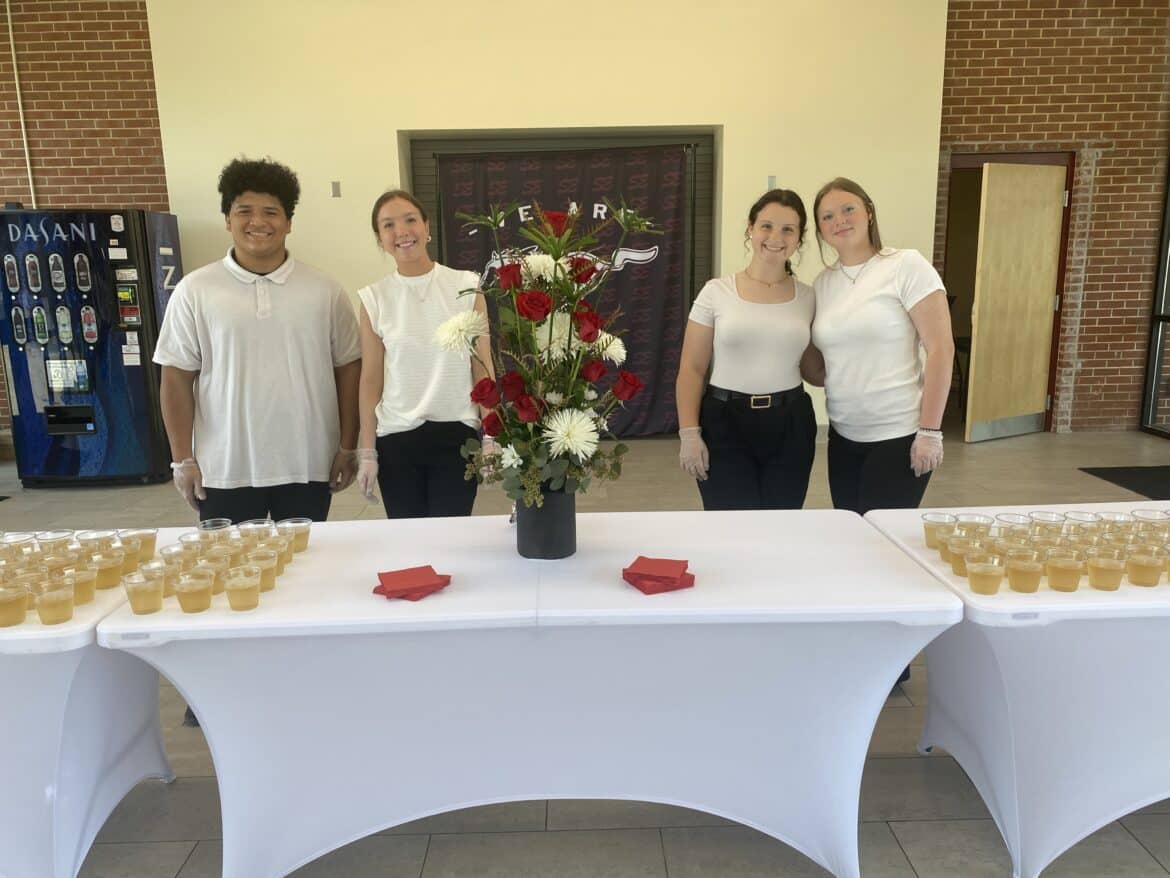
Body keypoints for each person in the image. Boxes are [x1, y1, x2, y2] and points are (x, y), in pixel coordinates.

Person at [155, 157, 362, 524]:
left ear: (289, 222)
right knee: (230, 561)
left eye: (271, 212)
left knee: (306, 558)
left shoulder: (324, 290)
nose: (258, 222)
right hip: (224, 468)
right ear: (227, 219)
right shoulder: (195, 290)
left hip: (308, 464)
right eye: (244, 211)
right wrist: (181, 459)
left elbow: (349, 370)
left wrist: (347, 446)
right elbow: (176, 377)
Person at [810, 177, 954, 516]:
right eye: (827, 216)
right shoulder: (823, 283)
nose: (839, 221)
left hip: (898, 435)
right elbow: (823, 366)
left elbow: (940, 349)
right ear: (820, 229)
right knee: (851, 531)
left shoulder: (905, 265)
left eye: (848, 209)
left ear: (869, 212)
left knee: (882, 536)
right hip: (842, 435)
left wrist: (930, 432)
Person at [675, 189, 822, 510]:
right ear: (750, 229)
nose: (775, 237)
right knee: (731, 524)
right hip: (724, 422)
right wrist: (689, 434)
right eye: (766, 226)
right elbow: (692, 368)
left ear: (799, 238)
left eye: (788, 229)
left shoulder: (809, 297)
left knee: (781, 524)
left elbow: (815, 370)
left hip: (791, 423)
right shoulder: (716, 292)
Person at [354, 190, 494, 518]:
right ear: (380, 238)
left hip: (456, 433)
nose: (401, 231)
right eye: (388, 225)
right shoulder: (374, 298)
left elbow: (482, 366)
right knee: (409, 537)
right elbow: (370, 380)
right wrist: (367, 451)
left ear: (427, 226)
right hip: (396, 438)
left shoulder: (466, 286)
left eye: (410, 220)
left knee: (451, 534)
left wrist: (491, 435)